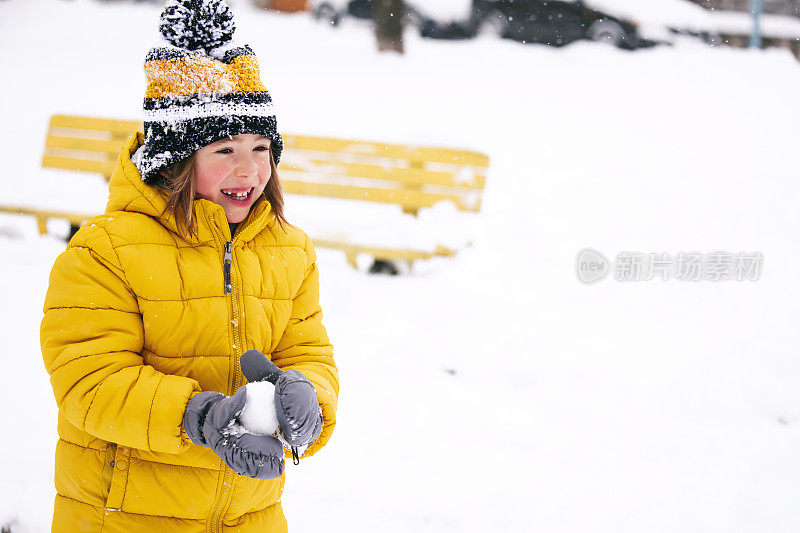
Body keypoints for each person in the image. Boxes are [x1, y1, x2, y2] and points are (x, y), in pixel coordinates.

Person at [39, 1, 338, 531]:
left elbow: (308, 350)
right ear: (177, 159)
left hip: (249, 515)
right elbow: (89, 381)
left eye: (261, 147)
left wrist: (309, 397)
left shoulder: (290, 251)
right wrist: (201, 417)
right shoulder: (105, 250)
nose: (249, 169)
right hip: (128, 516)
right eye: (223, 149)